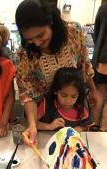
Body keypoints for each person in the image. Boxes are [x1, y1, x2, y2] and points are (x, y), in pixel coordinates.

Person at [15, 0, 97, 146]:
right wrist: (33, 125)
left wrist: (93, 90)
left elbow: (83, 64)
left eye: (41, 35)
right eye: (30, 39)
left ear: (51, 22)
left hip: (73, 103)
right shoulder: (24, 55)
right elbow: (27, 95)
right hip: (45, 112)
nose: (37, 43)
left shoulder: (73, 32)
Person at [37, 67, 93, 133]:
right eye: (63, 95)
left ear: (79, 94)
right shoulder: (46, 104)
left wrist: (81, 128)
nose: (68, 101)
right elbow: (31, 124)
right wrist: (49, 126)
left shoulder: (81, 110)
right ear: (56, 91)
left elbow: (87, 126)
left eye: (73, 96)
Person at [92, 3, 107, 131]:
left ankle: (94, 124)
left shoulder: (103, 8)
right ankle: (104, 128)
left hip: (103, 57)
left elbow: (96, 33)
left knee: (99, 92)